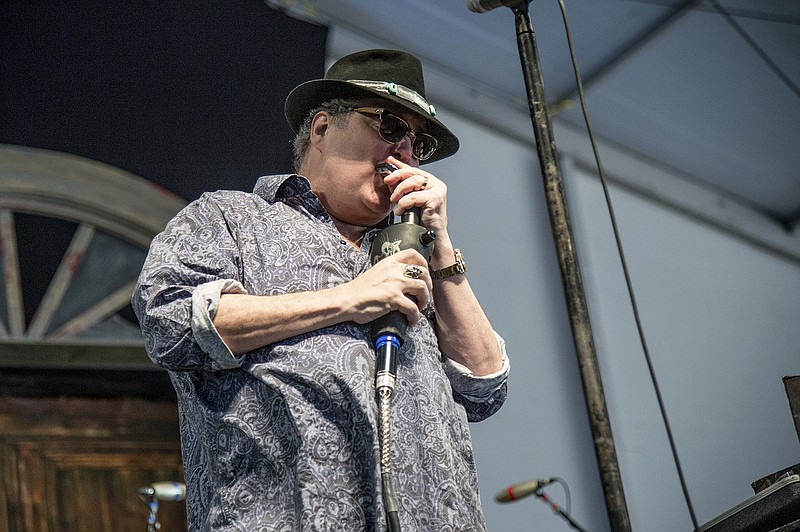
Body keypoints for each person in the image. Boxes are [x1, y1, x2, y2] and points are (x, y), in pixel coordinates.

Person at [133, 48, 509, 531]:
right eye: (391, 126)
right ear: (323, 128)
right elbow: (170, 321)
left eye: (420, 144)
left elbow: (484, 390)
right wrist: (350, 299)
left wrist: (440, 246)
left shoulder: (410, 259)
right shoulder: (231, 218)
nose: (405, 152)